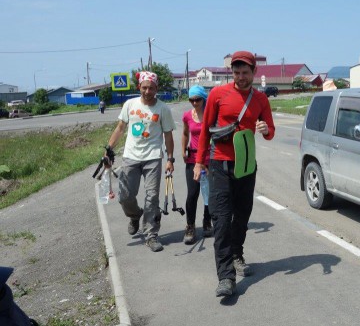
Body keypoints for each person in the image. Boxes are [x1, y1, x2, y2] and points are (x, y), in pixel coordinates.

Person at [194, 51, 275, 297]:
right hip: (220, 165)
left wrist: (264, 128)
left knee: (241, 217)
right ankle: (226, 277)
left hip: (247, 167)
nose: (241, 77)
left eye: (245, 73)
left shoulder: (260, 99)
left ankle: (237, 253)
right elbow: (206, 131)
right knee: (221, 221)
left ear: (254, 73)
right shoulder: (218, 94)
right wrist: (199, 163)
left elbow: (271, 130)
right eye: (237, 73)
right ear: (232, 72)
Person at [105, 71, 175, 252]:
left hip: (153, 158)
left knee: (152, 197)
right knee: (125, 196)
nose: (147, 91)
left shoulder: (163, 109)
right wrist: (109, 149)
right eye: (144, 87)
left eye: (151, 88)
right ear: (139, 88)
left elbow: (168, 135)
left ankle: (151, 235)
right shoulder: (130, 104)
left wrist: (170, 159)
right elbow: (120, 128)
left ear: (156, 88)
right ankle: (135, 215)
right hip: (130, 157)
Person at [181, 85, 213, 244]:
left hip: (210, 159)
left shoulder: (211, 114)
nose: (194, 102)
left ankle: (207, 221)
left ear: (203, 98)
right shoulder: (187, 116)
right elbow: (185, 133)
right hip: (193, 159)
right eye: (191, 100)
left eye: (197, 99)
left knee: (209, 193)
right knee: (192, 194)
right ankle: (190, 226)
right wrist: (183, 150)